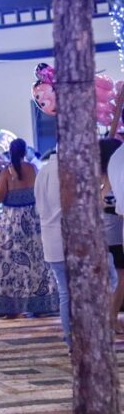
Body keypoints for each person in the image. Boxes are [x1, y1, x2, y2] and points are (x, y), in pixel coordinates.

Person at [0, 138, 58, 317]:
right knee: (36, 260)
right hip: (32, 219)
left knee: (10, 261)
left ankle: (12, 305)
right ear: (25, 152)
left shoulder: (6, 172)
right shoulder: (32, 168)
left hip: (12, 221)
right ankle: (41, 302)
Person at [34, 147, 68, 347]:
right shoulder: (67, 172)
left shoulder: (42, 172)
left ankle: (70, 337)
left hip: (50, 239)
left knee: (64, 292)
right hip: (69, 238)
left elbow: (39, 207)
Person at [99, 139, 124, 334]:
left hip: (106, 233)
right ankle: (112, 317)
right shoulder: (112, 177)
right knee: (121, 278)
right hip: (114, 232)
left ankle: (110, 316)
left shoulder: (101, 178)